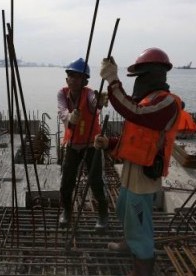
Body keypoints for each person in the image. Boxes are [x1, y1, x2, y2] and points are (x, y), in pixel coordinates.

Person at [95, 48, 182, 275]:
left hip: (145, 174)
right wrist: (111, 143)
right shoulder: (148, 100)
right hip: (132, 169)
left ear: (154, 74)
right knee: (124, 209)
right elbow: (135, 134)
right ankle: (129, 244)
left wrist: (113, 80)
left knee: (139, 223)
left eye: (142, 76)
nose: (139, 81)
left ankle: (143, 265)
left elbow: (133, 112)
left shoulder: (167, 103)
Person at [57, 57, 109, 230]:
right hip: (72, 144)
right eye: (70, 76)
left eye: (77, 76)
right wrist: (70, 116)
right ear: (66, 79)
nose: (73, 79)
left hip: (91, 145)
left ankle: (102, 215)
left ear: (85, 81)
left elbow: (95, 106)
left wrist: (100, 101)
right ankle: (66, 211)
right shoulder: (62, 93)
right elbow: (62, 111)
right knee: (66, 182)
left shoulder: (90, 93)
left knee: (96, 181)